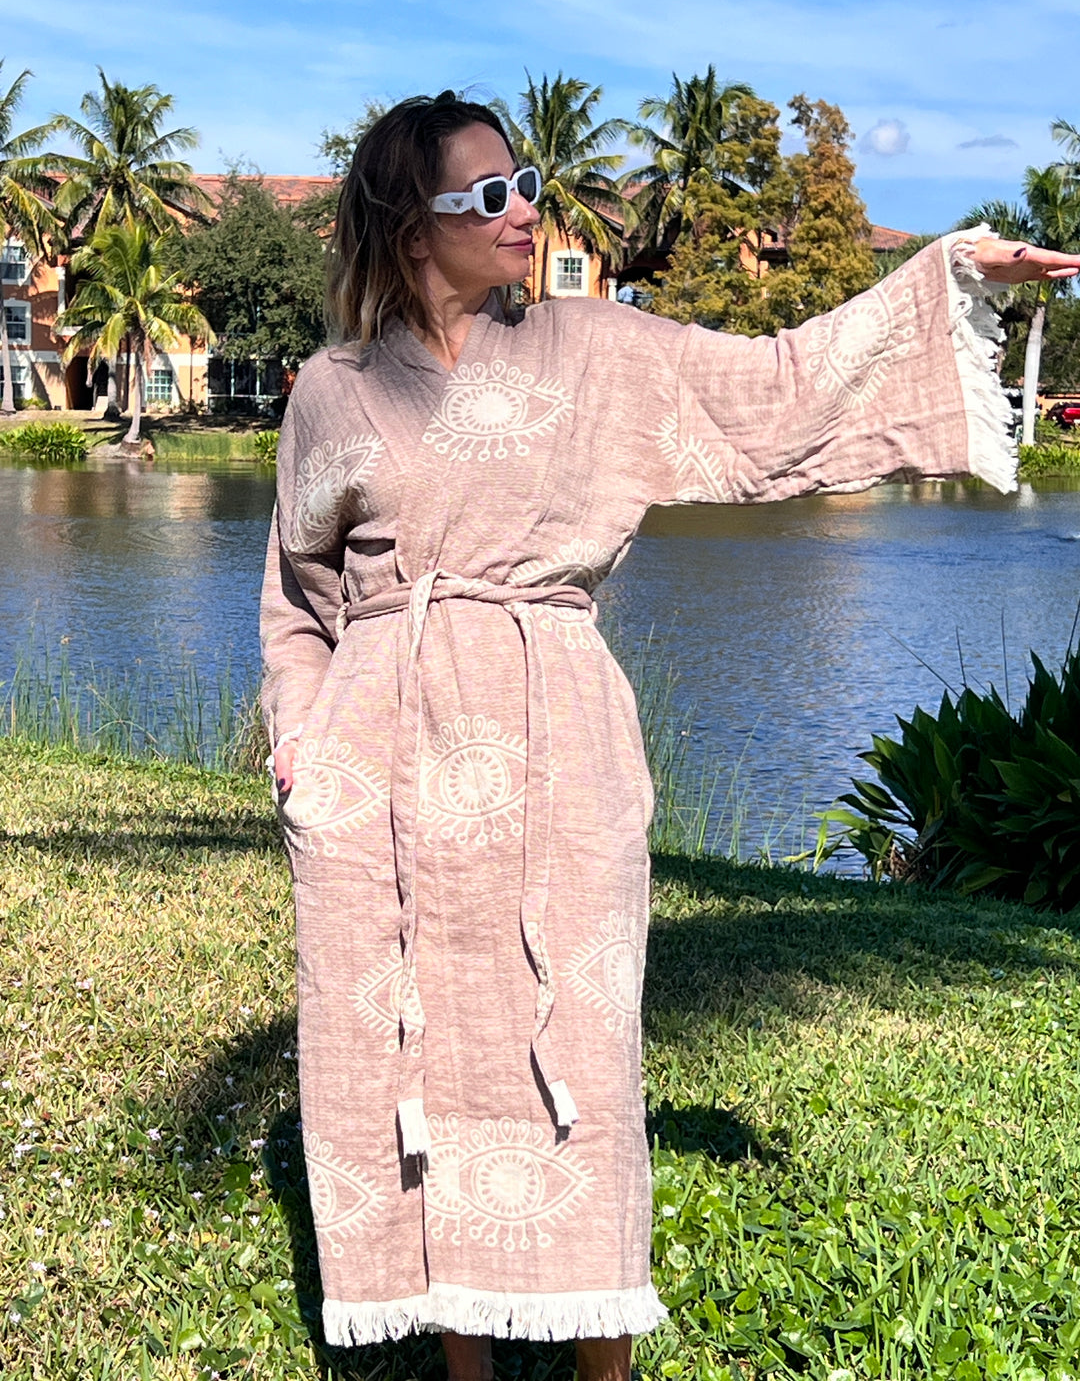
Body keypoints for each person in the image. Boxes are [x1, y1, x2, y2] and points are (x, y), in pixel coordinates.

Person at [260, 92, 1078, 1381]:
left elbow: (778, 392)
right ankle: (463, 1350)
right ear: (411, 227)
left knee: (579, 1033)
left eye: (527, 184)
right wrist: (304, 742)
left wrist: (948, 272)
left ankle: (602, 1356)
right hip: (386, 747)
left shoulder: (599, 351)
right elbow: (299, 597)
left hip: (557, 730)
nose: (525, 211)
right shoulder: (334, 391)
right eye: (490, 195)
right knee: (414, 1026)